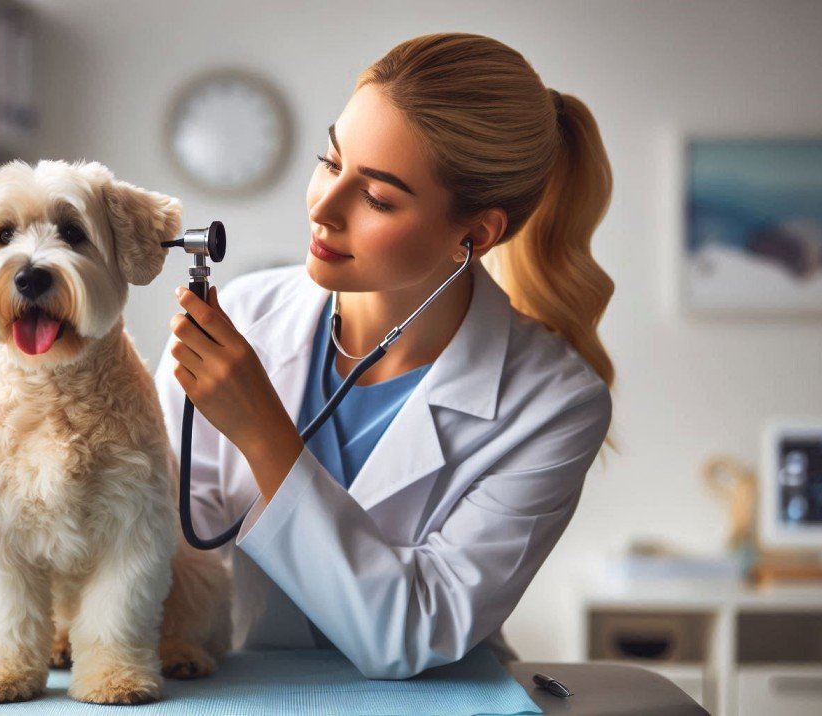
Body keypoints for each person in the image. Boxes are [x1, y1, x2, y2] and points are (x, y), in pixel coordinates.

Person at [154, 31, 616, 680]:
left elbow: (413, 630)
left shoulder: (554, 403)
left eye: (377, 197)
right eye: (330, 160)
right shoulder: (247, 315)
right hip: (244, 684)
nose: (324, 206)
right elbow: (161, 538)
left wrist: (261, 430)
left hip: (434, 698)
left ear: (472, 235)